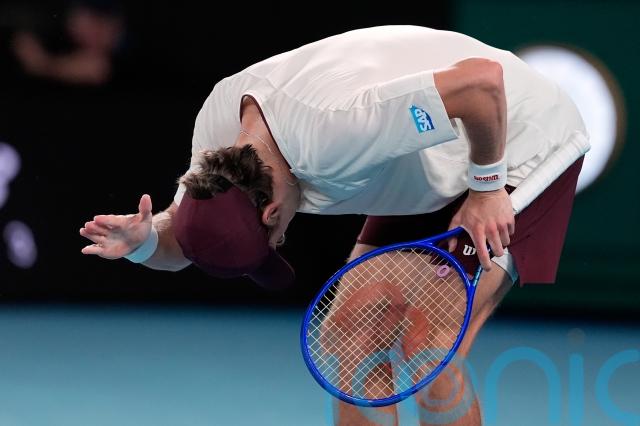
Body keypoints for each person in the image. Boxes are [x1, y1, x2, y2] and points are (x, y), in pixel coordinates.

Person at [80, 26, 589, 425]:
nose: (281, 241)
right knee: (350, 333)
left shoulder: (341, 129)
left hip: (515, 138)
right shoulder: (220, 147)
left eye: (274, 242)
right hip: (427, 158)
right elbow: (183, 238)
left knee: (427, 344)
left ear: (272, 215)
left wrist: (486, 187)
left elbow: (482, 84)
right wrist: (146, 241)